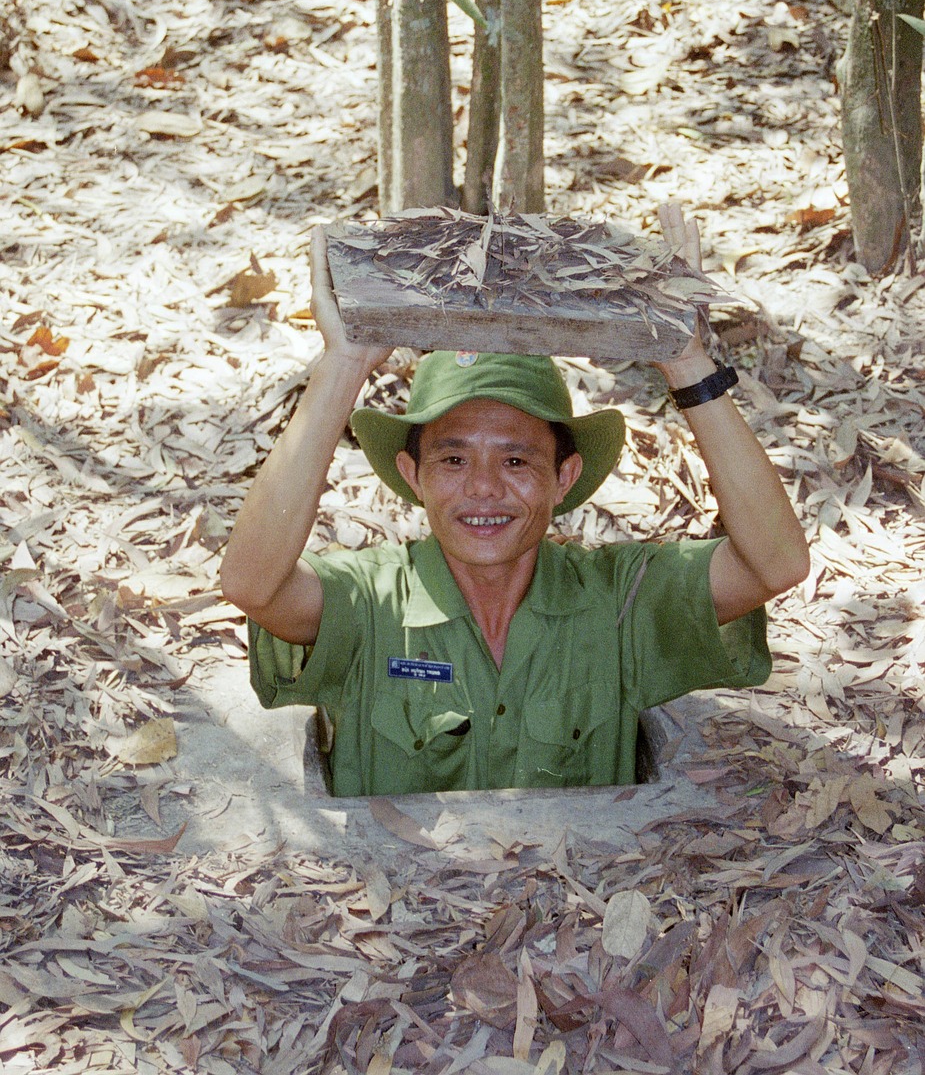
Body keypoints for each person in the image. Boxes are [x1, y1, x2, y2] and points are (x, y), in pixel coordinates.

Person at [220, 207, 810, 797]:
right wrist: (343, 364)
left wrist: (687, 362)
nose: (483, 488)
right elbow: (253, 585)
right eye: (453, 459)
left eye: (516, 460)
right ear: (412, 473)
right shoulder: (370, 604)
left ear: (564, 476)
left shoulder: (619, 603)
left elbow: (774, 564)